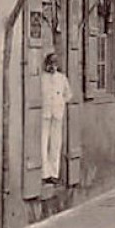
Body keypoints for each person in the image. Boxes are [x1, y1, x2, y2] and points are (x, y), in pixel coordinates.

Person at [41, 51, 72, 183]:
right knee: (43, 142)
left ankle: (54, 173)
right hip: (45, 113)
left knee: (55, 143)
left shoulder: (62, 78)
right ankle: (45, 173)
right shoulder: (42, 78)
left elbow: (68, 94)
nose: (53, 66)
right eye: (50, 63)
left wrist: (61, 102)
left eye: (55, 63)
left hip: (57, 113)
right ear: (46, 64)